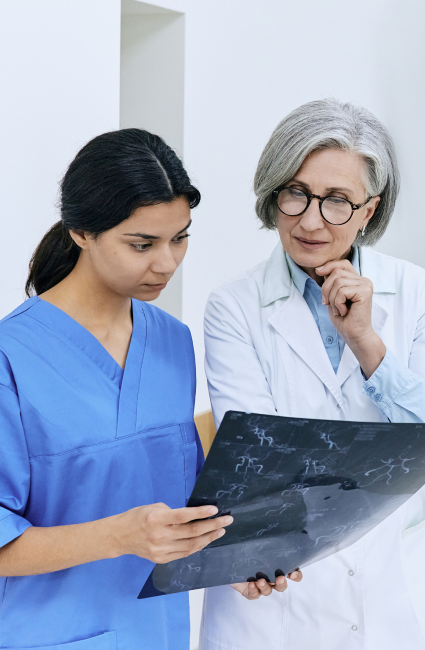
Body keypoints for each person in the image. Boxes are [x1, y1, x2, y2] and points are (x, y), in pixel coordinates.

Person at [0, 129, 295, 650]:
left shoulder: (172, 343)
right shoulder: (12, 358)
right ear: (81, 232)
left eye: (179, 238)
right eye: (142, 244)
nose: (167, 263)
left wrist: (238, 558)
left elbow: (179, 499)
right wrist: (121, 535)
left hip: (158, 633)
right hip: (46, 634)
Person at [201, 99, 425, 650]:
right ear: (272, 191)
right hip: (283, 589)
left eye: (337, 202)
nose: (309, 220)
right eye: (295, 192)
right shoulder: (232, 307)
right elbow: (259, 454)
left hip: (396, 581)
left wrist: (367, 344)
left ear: (368, 212)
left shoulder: (416, 292)